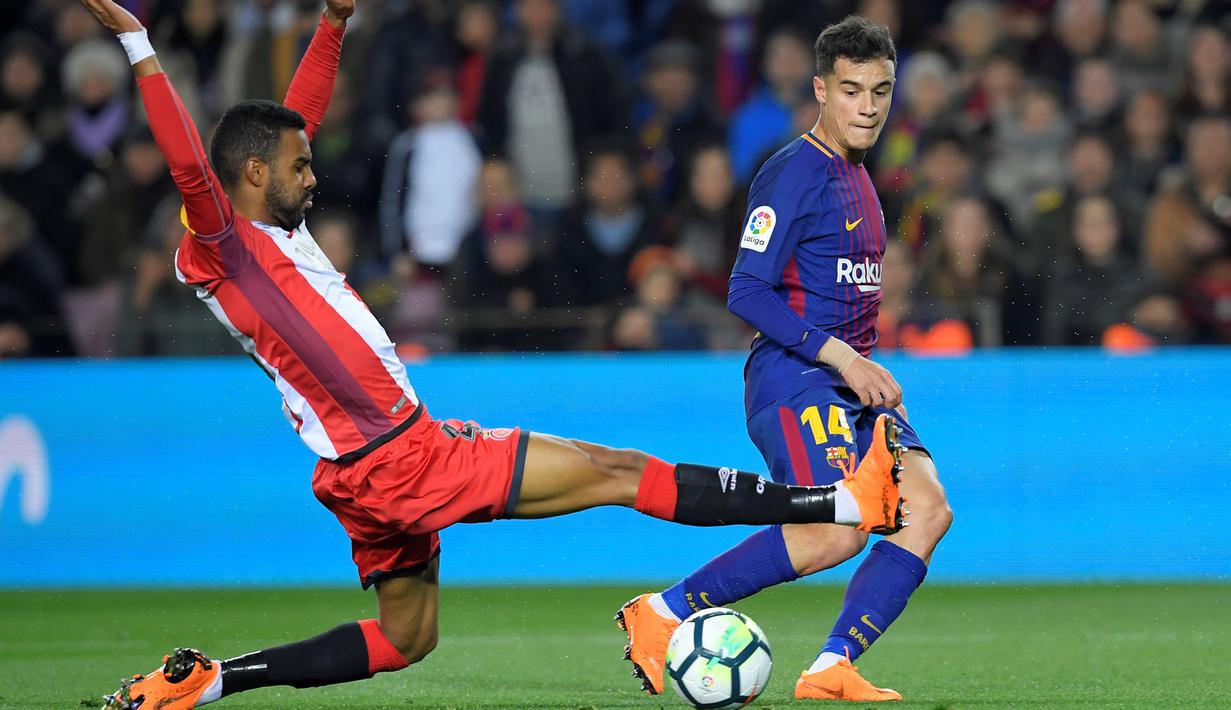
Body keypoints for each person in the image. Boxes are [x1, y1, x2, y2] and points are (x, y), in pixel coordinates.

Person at [75, 2, 908, 709]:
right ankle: (833, 506)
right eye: (298, 168)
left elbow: (293, 121)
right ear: (252, 175)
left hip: (357, 471)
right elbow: (192, 160)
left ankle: (209, 681)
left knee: (406, 641)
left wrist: (331, 21)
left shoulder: (263, 230)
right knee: (614, 471)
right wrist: (138, 45)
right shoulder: (224, 243)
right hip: (399, 457)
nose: (314, 176)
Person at [616, 16, 953, 702]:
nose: (868, 106)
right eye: (852, 90)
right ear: (820, 90)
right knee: (834, 531)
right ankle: (662, 612)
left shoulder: (859, 175)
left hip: (852, 384)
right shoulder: (793, 171)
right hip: (797, 376)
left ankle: (831, 665)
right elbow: (746, 287)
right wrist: (843, 359)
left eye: (880, 91)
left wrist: (865, 374)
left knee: (926, 510)